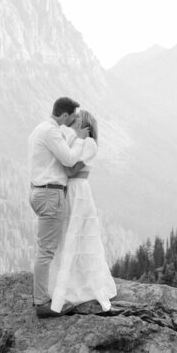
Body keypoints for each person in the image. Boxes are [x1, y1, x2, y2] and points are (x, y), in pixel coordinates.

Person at [48, 109, 117, 313]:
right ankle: (68, 283)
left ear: (85, 125)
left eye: (77, 119)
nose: (72, 121)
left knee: (78, 236)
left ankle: (82, 287)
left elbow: (71, 169)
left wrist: (73, 145)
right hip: (70, 190)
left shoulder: (89, 144)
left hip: (78, 191)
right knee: (66, 236)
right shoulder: (77, 141)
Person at [27, 96, 89, 318]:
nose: (73, 121)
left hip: (38, 191)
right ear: (64, 115)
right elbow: (70, 159)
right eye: (72, 117)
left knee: (46, 247)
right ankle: (42, 303)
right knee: (46, 250)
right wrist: (80, 139)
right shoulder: (51, 132)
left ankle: (44, 294)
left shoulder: (39, 129)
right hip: (50, 193)